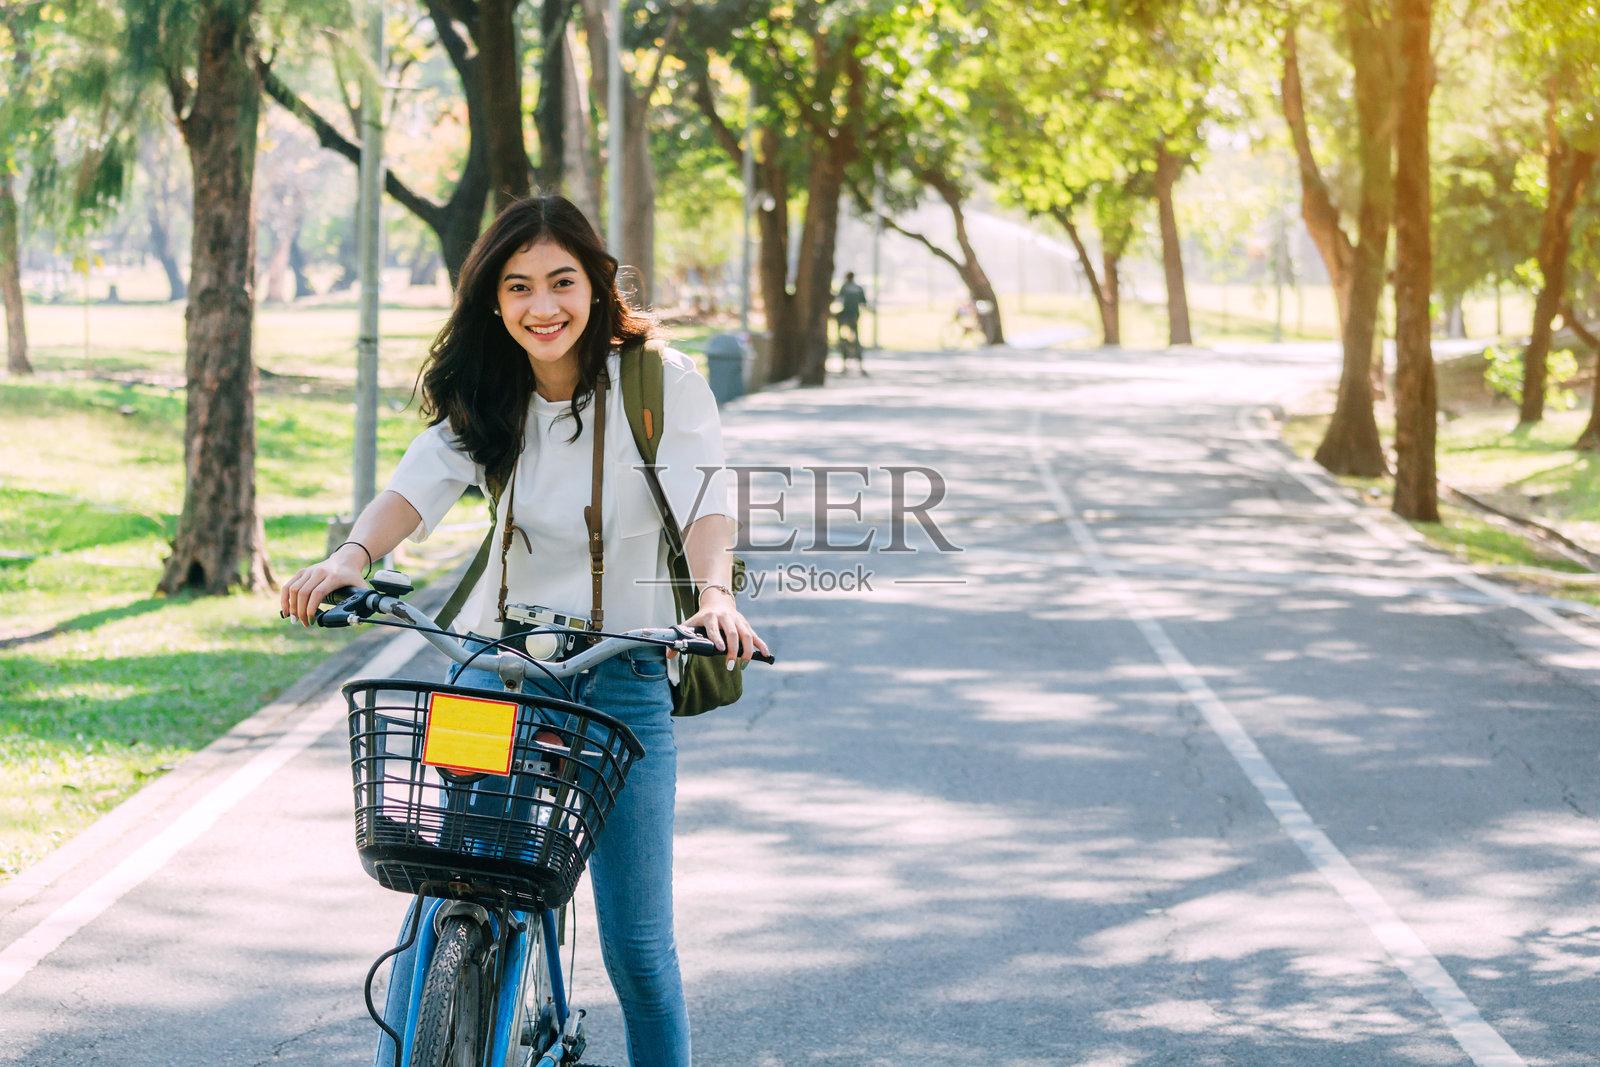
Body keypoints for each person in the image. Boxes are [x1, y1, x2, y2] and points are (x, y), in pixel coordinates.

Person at [280, 195, 767, 1067]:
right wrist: (351, 554)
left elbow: (705, 502)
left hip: (624, 673)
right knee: (445, 889)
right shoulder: (489, 391)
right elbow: (419, 482)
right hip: (497, 666)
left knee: (639, 951)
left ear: (597, 285)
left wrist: (716, 596)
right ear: (492, 302)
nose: (542, 307)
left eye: (561, 283)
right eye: (517, 288)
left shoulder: (660, 383)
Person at [833, 271, 869, 374]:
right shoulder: (858, 288)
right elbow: (863, 303)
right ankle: (860, 366)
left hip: (844, 317)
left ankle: (844, 365)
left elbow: (838, 300)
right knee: (856, 341)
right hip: (854, 318)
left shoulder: (844, 288)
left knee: (843, 340)